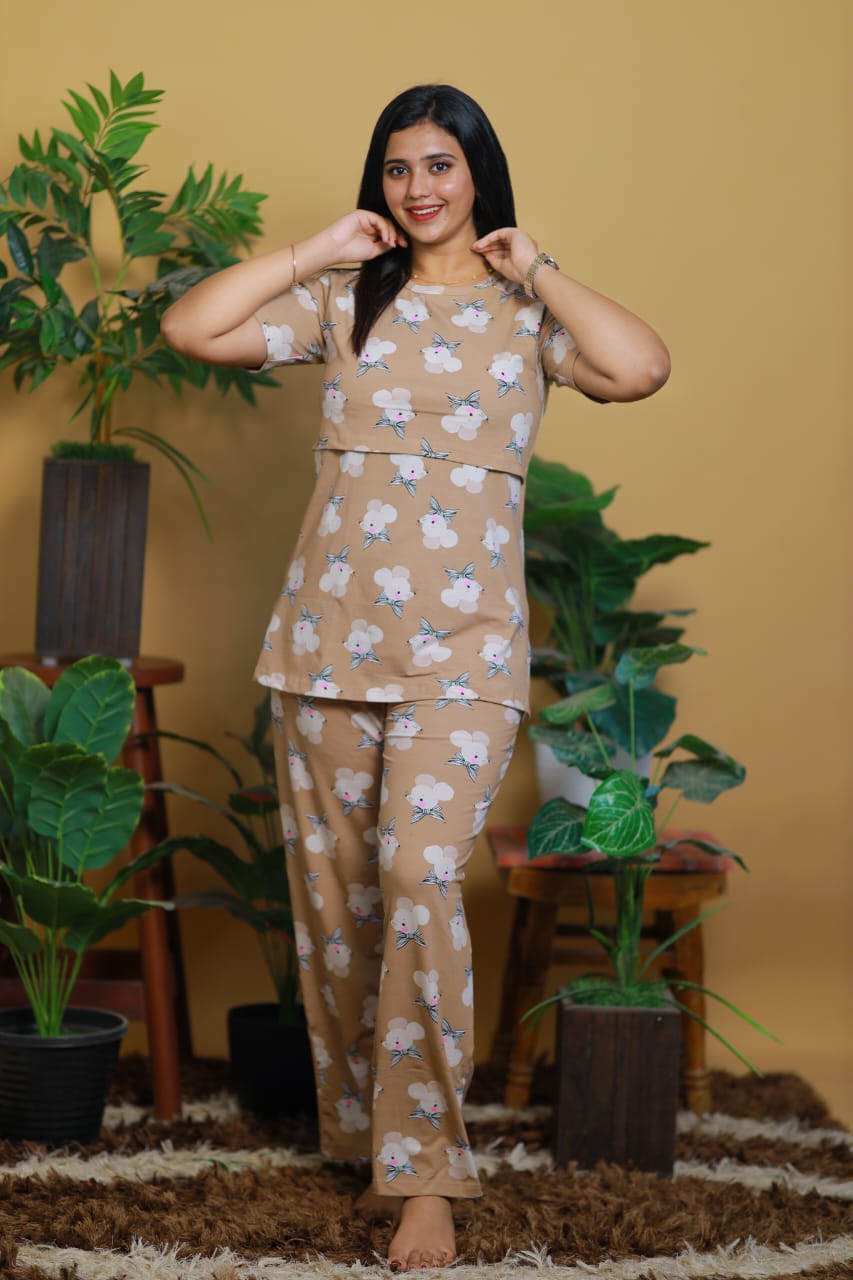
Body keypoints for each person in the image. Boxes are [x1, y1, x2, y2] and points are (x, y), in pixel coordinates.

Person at [161, 82, 670, 1272]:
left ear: (477, 172)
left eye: (439, 163)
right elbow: (192, 329)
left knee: (417, 874)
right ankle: (370, 1139)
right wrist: (315, 250)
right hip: (325, 647)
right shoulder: (349, 298)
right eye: (397, 168)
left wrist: (538, 266)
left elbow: (640, 366)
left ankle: (427, 1174)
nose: (418, 187)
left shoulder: (526, 313)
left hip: (466, 655)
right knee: (342, 910)